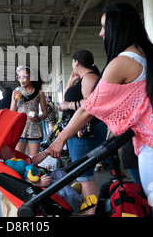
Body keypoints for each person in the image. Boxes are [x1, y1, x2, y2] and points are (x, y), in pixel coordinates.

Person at [48, 3, 153, 217]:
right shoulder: (150, 52)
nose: (101, 34)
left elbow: (88, 109)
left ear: (118, 28)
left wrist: (60, 139)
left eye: (103, 27)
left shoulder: (121, 62)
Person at [57, 49, 107, 214]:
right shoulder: (83, 79)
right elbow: (66, 99)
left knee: (84, 176)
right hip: (79, 132)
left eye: (72, 62)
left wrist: (68, 106)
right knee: (83, 174)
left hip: (86, 132)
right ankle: (91, 210)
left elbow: (90, 105)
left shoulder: (89, 77)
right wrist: (71, 82)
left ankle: (91, 212)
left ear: (76, 62)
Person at [10, 65, 47, 156]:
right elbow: (12, 113)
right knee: (18, 160)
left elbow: (45, 112)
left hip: (34, 130)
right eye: (19, 77)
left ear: (32, 77)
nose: (21, 80)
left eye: (24, 77)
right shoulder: (16, 92)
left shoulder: (39, 93)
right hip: (20, 129)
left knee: (33, 160)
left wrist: (39, 118)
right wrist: (14, 101)